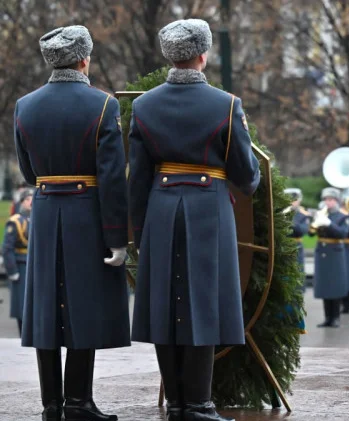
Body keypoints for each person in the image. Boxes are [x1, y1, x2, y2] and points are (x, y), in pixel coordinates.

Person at [128, 19, 261, 421]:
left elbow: (138, 178)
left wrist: (138, 231)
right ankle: (199, 404)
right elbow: (245, 173)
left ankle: (178, 404)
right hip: (208, 208)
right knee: (204, 301)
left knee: (164, 306)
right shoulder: (225, 104)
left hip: (162, 207)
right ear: (203, 55)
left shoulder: (144, 105)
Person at [14, 25, 130, 421]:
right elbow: (113, 178)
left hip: (45, 209)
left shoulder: (24, 105)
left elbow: (29, 173)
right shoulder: (103, 105)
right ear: (84, 59)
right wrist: (118, 237)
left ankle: (51, 405)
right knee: (86, 306)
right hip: (87, 212)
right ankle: (79, 402)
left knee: (47, 308)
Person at [309, 188, 349, 328]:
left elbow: (343, 234)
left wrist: (329, 224)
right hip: (322, 252)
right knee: (325, 285)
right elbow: (310, 234)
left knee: (335, 285)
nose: (328, 202)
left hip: (335, 253)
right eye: (326, 199)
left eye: (331, 200)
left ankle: (336, 317)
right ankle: (327, 317)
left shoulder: (342, 216)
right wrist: (315, 222)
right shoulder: (322, 214)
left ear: (337, 201)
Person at [3, 189, 32, 336]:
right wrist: (13, 271)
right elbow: (7, 248)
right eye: (27, 199)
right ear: (21, 202)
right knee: (22, 307)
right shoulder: (15, 222)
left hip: (35, 266)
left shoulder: (37, 219)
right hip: (21, 266)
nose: (31, 202)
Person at [285, 188, 311, 289]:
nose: (292, 203)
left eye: (294, 200)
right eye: (290, 200)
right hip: (283, 248)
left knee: (297, 278)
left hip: (297, 248)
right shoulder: (280, 212)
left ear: (299, 200)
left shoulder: (303, 215)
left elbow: (302, 230)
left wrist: (288, 220)